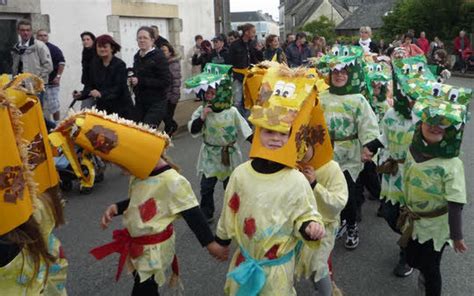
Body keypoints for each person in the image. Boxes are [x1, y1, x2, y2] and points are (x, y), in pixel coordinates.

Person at [50, 109, 227, 296]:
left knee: (143, 290)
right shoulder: (140, 175)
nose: (123, 171)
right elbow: (140, 200)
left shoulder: (173, 181)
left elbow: (192, 213)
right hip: (139, 248)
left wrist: (211, 244)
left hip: (154, 251)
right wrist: (117, 207)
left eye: (123, 165)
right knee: (146, 288)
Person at [214, 63, 326, 295]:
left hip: (277, 271)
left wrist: (310, 227)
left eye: (282, 133)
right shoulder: (241, 174)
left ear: (290, 136)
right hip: (244, 262)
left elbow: (305, 213)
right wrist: (222, 241)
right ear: (258, 133)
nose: (275, 138)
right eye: (268, 132)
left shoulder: (295, 180)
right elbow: (230, 209)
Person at [398, 97, 470, 296]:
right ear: (421, 123)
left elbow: (455, 203)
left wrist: (456, 236)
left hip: (436, 226)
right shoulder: (413, 150)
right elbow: (407, 179)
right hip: (413, 217)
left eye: (442, 124)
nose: (435, 126)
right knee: (414, 257)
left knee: (431, 268)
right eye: (430, 121)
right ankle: (422, 271)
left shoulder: (451, 164)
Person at [319, 49, 381, 249]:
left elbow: (369, 125)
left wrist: (368, 148)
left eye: (344, 72)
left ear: (350, 74)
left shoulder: (358, 100)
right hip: (327, 154)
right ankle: (337, 221)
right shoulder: (321, 97)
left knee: (349, 193)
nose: (339, 75)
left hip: (350, 156)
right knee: (328, 192)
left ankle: (352, 225)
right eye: (335, 72)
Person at [187, 64, 252, 223]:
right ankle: (207, 213)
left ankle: (233, 213)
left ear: (222, 93)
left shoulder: (232, 111)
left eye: (213, 93)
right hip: (210, 155)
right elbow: (193, 129)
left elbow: (245, 130)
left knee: (230, 187)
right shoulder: (203, 110)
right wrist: (202, 117)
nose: (209, 96)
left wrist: (258, 146)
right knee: (206, 187)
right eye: (207, 93)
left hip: (229, 154)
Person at [295, 103, 348, 296]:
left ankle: (328, 292)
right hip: (299, 224)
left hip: (325, 224)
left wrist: (315, 185)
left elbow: (339, 201)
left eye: (304, 145)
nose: (300, 152)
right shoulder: (292, 168)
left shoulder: (331, 168)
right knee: (302, 262)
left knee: (318, 265)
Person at [78, 34, 133, 118]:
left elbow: (118, 88)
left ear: (112, 48)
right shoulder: (94, 65)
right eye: (99, 47)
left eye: (105, 47)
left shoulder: (120, 65)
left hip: (121, 108)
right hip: (103, 108)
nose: (102, 49)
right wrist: (81, 94)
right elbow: (90, 85)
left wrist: (101, 93)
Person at [131, 26, 171, 126]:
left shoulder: (159, 56)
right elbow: (138, 74)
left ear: (152, 40)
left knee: (146, 133)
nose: (142, 40)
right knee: (136, 131)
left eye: (145, 38)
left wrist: (141, 81)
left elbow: (166, 81)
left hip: (156, 103)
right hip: (140, 102)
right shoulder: (137, 56)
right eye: (139, 38)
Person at [11, 19, 52, 99]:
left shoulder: (40, 46)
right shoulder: (15, 48)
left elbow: (48, 66)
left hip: (35, 87)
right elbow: (15, 67)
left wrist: (36, 80)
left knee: (36, 110)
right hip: (19, 87)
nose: (25, 33)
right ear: (18, 31)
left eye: (28, 30)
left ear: (31, 31)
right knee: (21, 111)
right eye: (22, 30)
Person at [229, 23, 263, 116]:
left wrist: (259, 51)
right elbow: (229, 61)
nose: (254, 34)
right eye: (253, 32)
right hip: (238, 76)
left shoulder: (252, 44)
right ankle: (239, 121)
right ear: (246, 32)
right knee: (237, 101)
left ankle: (247, 123)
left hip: (249, 77)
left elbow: (257, 59)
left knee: (249, 100)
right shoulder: (235, 45)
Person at [36, 29, 65, 122]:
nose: (43, 37)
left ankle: (57, 124)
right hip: (36, 84)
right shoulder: (32, 49)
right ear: (36, 37)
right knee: (38, 106)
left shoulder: (54, 49)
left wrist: (58, 77)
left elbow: (62, 63)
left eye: (45, 35)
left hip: (51, 83)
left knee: (54, 105)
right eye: (40, 35)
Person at [161, 43, 181, 136]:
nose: (162, 53)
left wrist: (174, 96)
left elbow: (176, 81)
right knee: (164, 115)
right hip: (164, 95)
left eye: (164, 51)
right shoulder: (162, 63)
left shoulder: (173, 64)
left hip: (172, 95)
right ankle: (172, 127)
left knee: (167, 115)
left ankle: (167, 133)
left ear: (170, 52)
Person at [78, 31, 96, 109]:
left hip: (99, 86)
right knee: (84, 110)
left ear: (93, 40)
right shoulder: (85, 52)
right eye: (83, 40)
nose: (85, 41)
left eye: (88, 39)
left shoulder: (98, 52)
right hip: (88, 85)